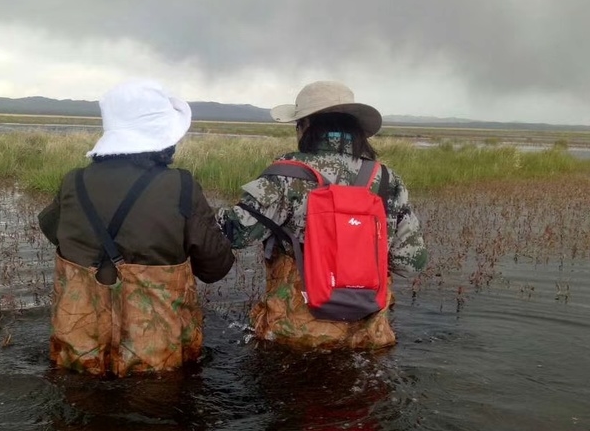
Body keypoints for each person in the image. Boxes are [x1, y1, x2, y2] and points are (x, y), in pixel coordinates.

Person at [38, 79, 234, 376]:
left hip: (78, 352)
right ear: (162, 137)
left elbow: (51, 229)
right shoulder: (181, 186)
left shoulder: (73, 182)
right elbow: (215, 268)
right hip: (156, 359)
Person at [217, 81, 427, 349]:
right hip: (369, 332)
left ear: (305, 126)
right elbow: (411, 262)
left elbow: (236, 233)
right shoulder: (387, 179)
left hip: (297, 330)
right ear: (357, 131)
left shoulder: (285, 174)